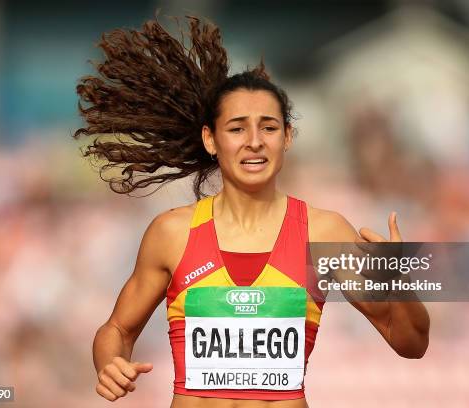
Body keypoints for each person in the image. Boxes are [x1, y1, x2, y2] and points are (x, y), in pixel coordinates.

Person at [74, 15, 430, 408]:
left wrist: (398, 282)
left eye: (270, 128)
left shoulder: (323, 233)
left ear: (288, 137)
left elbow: (409, 343)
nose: (255, 142)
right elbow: (117, 330)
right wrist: (109, 363)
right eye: (237, 128)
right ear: (211, 139)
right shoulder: (171, 233)